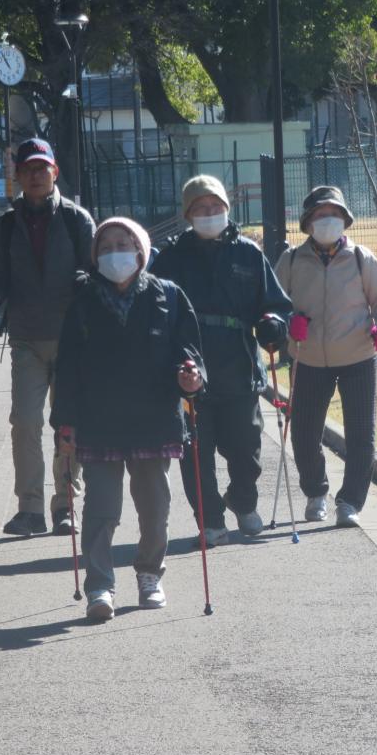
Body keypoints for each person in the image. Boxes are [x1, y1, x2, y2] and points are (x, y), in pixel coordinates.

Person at [50, 217, 205, 621]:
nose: (114, 252)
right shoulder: (82, 302)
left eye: (123, 243)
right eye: (105, 246)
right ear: (95, 256)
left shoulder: (169, 296)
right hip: (98, 422)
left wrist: (191, 378)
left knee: (155, 507)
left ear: (141, 251)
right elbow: (66, 368)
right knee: (101, 509)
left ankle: (150, 575)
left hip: (153, 420)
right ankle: (99, 587)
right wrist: (64, 425)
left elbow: (190, 354)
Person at [152, 175, 292, 546]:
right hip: (190, 370)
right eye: (200, 209)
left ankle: (243, 501)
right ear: (188, 214)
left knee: (246, 447)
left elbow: (276, 304)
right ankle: (210, 519)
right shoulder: (170, 258)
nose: (209, 214)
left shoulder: (248, 253)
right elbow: (155, 311)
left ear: (226, 210)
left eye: (215, 208)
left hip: (239, 367)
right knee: (196, 453)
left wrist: (273, 323)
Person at [0, 138, 95, 537]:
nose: (34, 175)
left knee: (68, 424)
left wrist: (88, 279)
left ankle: (66, 505)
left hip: (72, 339)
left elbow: (98, 271)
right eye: (27, 168)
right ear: (17, 176)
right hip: (27, 337)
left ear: (54, 172)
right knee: (25, 422)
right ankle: (29, 508)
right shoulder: (6, 225)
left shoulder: (78, 219)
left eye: (41, 168)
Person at [275, 186, 377, 528]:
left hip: (359, 356)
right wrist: (287, 324)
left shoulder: (362, 258)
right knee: (303, 433)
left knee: (362, 435)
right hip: (308, 358)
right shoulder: (292, 261)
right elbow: (274, 305)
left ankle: (349, 503)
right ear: (307, 222)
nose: (327, 220)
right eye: (319, 215)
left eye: (333, 214)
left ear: (344, 219)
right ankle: (316, 492)